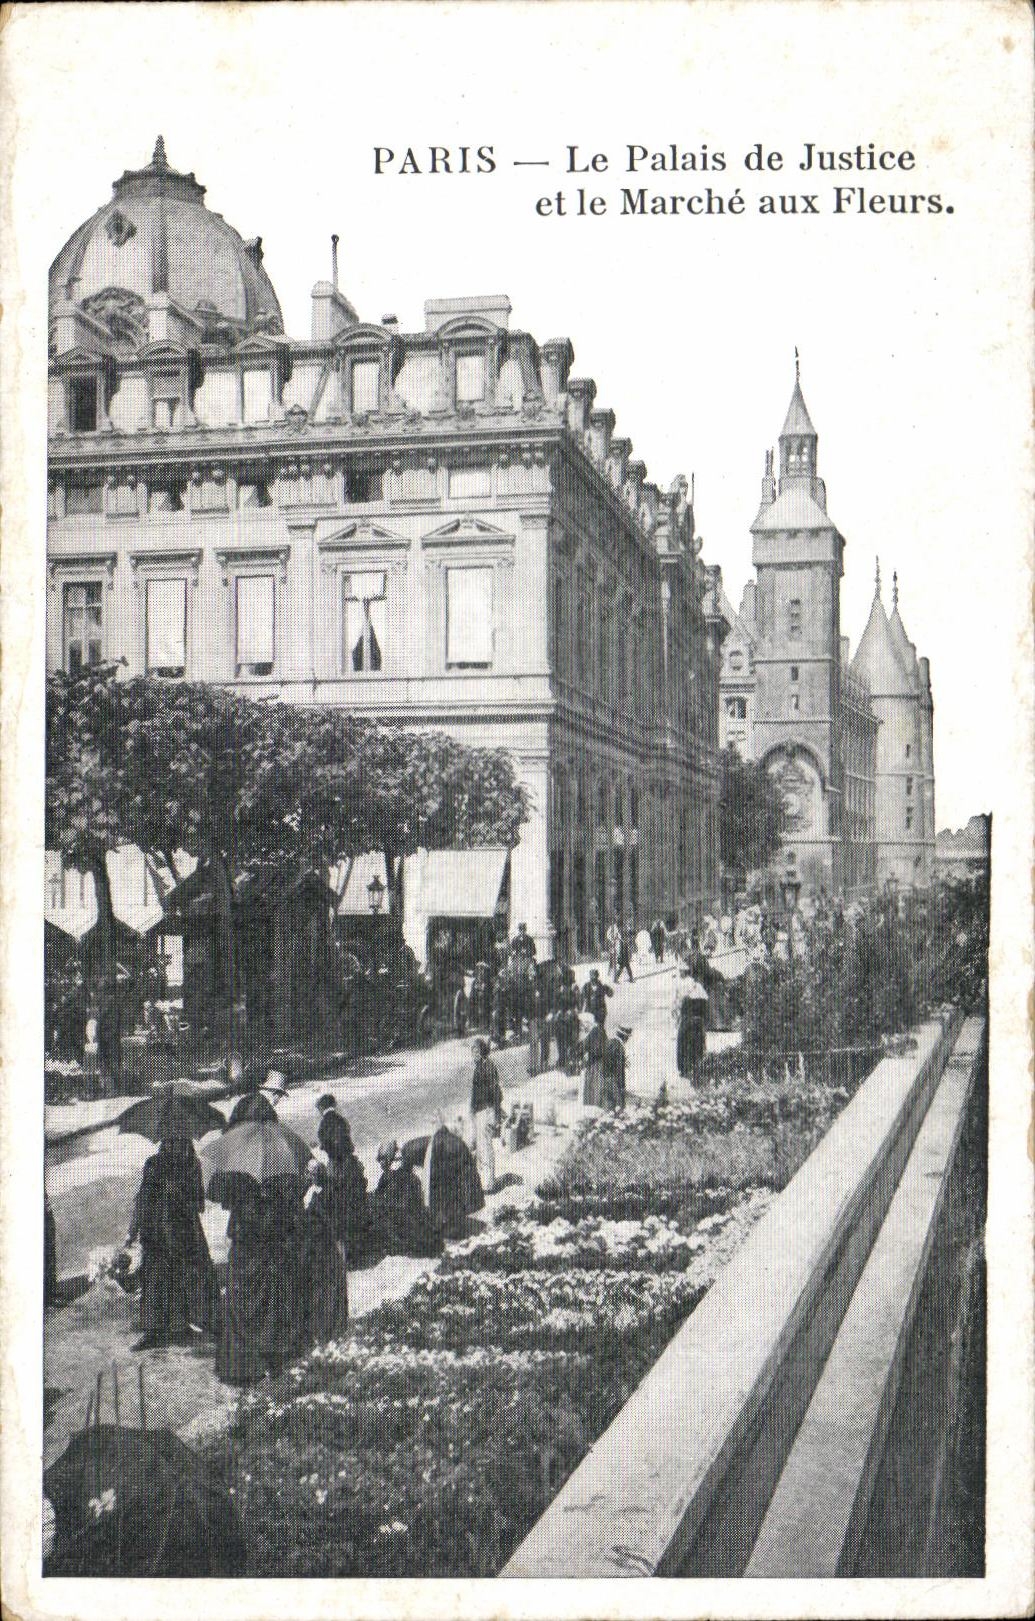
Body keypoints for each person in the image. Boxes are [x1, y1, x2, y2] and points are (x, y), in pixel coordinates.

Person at [128, 1130, 220, 1352]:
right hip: (157, 1232)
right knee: (155, 1280)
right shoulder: (154, 1164)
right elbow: (143, 1198)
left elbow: (199, 1203)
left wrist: (177, 1193)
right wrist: (133, 1230)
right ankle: (154, 1331)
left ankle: (182, 1324)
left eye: (180, 1142)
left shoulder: (192, 1165)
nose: (176, 1147)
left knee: (186, 1277)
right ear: (165, 1143)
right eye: (171, 1142)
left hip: (185, 1231)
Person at [370, 1142, 442, 1258]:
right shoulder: (413, 1177)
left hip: (404, 1228)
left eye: (382, 1160)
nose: (380, 1163)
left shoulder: (387, 1177)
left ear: (388, 1160)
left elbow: (381, 1199)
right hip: (419, 1226)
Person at [421, 1122, 484, 1239]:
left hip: (456, 1197)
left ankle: (447, 1224)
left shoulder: (436, 1146)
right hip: (469, 1198)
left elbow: (430, 1178)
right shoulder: (454, 1143)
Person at [469, 1038, 503, 1194]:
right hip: (480, 1111)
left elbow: (496, 1092)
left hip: (487, 1110)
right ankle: (484, 1182)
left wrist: (496, 1114)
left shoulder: (488, 1066)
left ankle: (489, 1184)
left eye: (475, 1051)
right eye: (472, 1051)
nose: (473, 1054)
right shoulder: (479, 1066)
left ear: (482, 1051)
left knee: (485, 1147)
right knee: (480, 1148)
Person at [676, 978, 708, 1079]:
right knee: (698, 1046)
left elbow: (680, 1011)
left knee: (684, 1046)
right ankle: (698, 1067)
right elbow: (705, 1013)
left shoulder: (686, 998)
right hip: (698, 1023)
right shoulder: (702, 998)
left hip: (687, 1023)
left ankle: (684, 1069)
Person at [581, 1015, 609, 1110]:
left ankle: (593, 1108)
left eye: (584, 1024)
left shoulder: (596, 1031)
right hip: (596, 1064)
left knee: (594, 1088)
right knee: (594, 1088)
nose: (583, 1026)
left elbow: (596, 1049)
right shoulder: (598, 1031)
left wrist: (585, 1053)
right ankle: (593, 1107)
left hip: (596, 1064)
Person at [602, 1025, 631, 1111]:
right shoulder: (620, 1047)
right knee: (619, 1108)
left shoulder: (608, 1042)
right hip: (614, 1081)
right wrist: (622, 1086)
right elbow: (619, 1070)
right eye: (628, 1037)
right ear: (625, 1037)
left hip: (604, 1078)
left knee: (608, 1107)